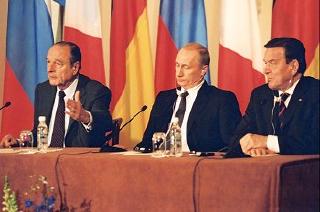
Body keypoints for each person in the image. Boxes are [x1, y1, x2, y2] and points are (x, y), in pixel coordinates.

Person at [1, 41, 112, 148]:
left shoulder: (95, 91)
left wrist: (85, 116)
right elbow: (40, 132)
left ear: (75, 68)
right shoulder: (43, 90)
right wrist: (19, 142)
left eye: (57, 64)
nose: (50, 69)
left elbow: (106, 123)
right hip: (45, 161)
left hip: (78, 162)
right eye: (48, 62)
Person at [135, 42, 241, 153]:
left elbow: (231, 145)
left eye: (186, 67)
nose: (179, 73)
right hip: (160, 163)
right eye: (177, 65)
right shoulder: (164, 99)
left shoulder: (221, 100)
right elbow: (147, 142)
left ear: (203, 70)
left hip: (198, 166)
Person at [233, 37, 319, 156]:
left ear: (293, 66)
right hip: (265, 170)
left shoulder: (315, 92)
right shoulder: (260, 95)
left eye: (273, 62)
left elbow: (314, 142)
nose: (265, 70)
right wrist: (252, 149)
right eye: (265, 63)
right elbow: (236, 139)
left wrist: (267, 142)